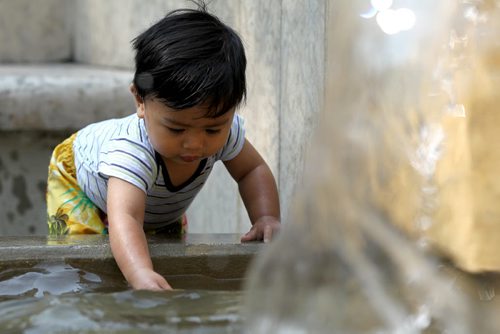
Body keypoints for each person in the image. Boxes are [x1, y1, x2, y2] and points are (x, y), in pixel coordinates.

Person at [46, 1, 280, 291]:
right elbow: (127, 216)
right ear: (140, 101)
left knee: (165, 249)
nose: (195, 143)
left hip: (153, 201)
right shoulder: (131, 151)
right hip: (79, 179)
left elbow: (252, 170)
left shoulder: (226, 133)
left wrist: (266, 217)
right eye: (176, 128)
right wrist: (139, 272)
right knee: (87, 259)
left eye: (212, 128)